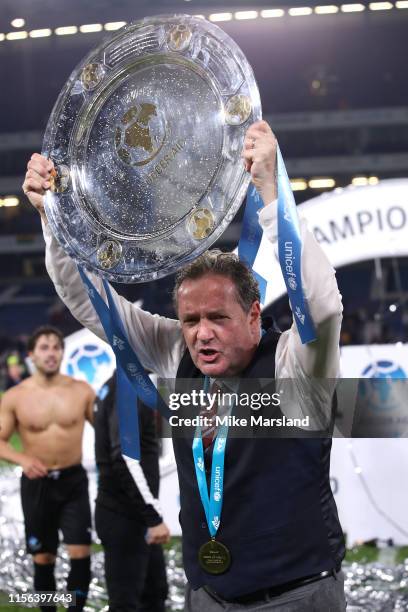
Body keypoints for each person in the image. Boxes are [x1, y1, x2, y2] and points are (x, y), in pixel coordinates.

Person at [23, 120, 346, 611]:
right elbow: (95, 305)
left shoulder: (294, 364)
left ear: (254, 314)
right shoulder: (180, 354)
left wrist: (272, 188)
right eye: (190, 319)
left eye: (218, 317)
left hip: (295, 596)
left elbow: (321, 306)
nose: (201, 332)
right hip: (208, 594)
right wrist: (54, 216)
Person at [0, 326, 95, 612]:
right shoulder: (15, 396)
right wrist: (23, 459)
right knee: (43, 558)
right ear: (31, 355)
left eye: (56, 346)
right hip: (38, 485)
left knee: (81, 554)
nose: (51, 353)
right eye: (44, 347)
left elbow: (107, 433)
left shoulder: (81, 390)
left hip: (73, 481)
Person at [94, 374, 169, 611]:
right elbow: (125, 460)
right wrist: (152, 517)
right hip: (124, 514)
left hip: (132, 513)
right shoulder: (126, 388)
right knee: (127, 602)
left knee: (154, 593)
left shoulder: (118, 384)